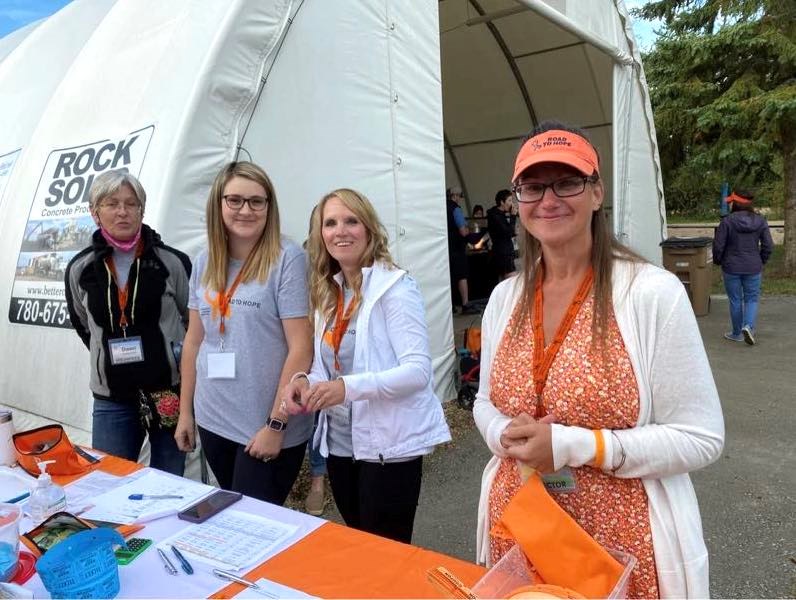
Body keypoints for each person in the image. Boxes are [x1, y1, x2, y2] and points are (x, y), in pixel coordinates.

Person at [474, 121, 724, 598]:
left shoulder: (650, 293)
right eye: (532, 185)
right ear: (518, 198)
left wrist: (571, 446)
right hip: (521, 526)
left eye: (567, 181)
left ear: (596, 193)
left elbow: (701, 437)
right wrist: (501, 432)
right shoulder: (506, 297)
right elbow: (484, 401)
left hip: (618, 547)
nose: (548, 199)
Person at [282, 188, 451, 543]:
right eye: (330, 223)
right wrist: (305, 381)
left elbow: (418, 371)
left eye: (350, 221)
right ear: (320, 234)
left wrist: (346, 389)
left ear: (369, 229)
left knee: (388, 554)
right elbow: (325, 369)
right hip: (342, 447)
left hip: (387, 450)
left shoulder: (396, 287)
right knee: (361, 545)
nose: (340, 231)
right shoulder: (330, 293)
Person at [174, 161, 313, 504]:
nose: (245, 210)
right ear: (218, 204)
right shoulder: (204, 262)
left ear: (269, 207)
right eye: (234, 200)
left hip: (264, 423)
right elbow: (194, 340)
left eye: (256, 201)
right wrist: (186, 412)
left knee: (256, 525)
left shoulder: (287, 259)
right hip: (213, 418)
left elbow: (301, 348)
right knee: (234, 518)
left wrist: (277, 424)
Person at [64, 170, 190, 475]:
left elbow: (191, 321)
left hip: (167, 393)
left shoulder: (171, 262)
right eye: (111, 203)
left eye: (131, 204)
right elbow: (85, 327)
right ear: (95, 213)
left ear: (142, 210)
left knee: (169, 484)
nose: (122, 211)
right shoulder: (80, 268)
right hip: (112, 398)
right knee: (110, 481)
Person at [712, 189, 773, 345]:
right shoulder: (760, 221)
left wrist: (719, 261)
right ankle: (749, 327)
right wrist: (761, 260)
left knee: (735, 300)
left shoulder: (727, 221)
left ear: (736, 203)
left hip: (731, 267)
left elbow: (719, 245)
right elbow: (768, 246)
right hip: (753, 266)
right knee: (752, 299)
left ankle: (737, 333)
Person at [446, 186, 477, 313]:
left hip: (446, 247)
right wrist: (469, 230)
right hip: (457, 248)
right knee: (462, 276)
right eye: (459, 196)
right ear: (455, 196)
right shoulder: (456, 209)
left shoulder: (442, 207)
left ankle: (450, 305)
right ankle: (465, 304)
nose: (460, 199)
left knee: (450, 276)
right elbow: (463, 231)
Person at [487, 189, 518, 280]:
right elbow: (508, 232)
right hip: (504, 254)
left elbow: (507, 232)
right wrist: (513, 216)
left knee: (504, 282)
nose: (511, 203)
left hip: (504, 252)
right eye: (509, 200)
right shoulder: (496, 215)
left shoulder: (499, 214)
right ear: (501, 202)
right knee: (511, 281)